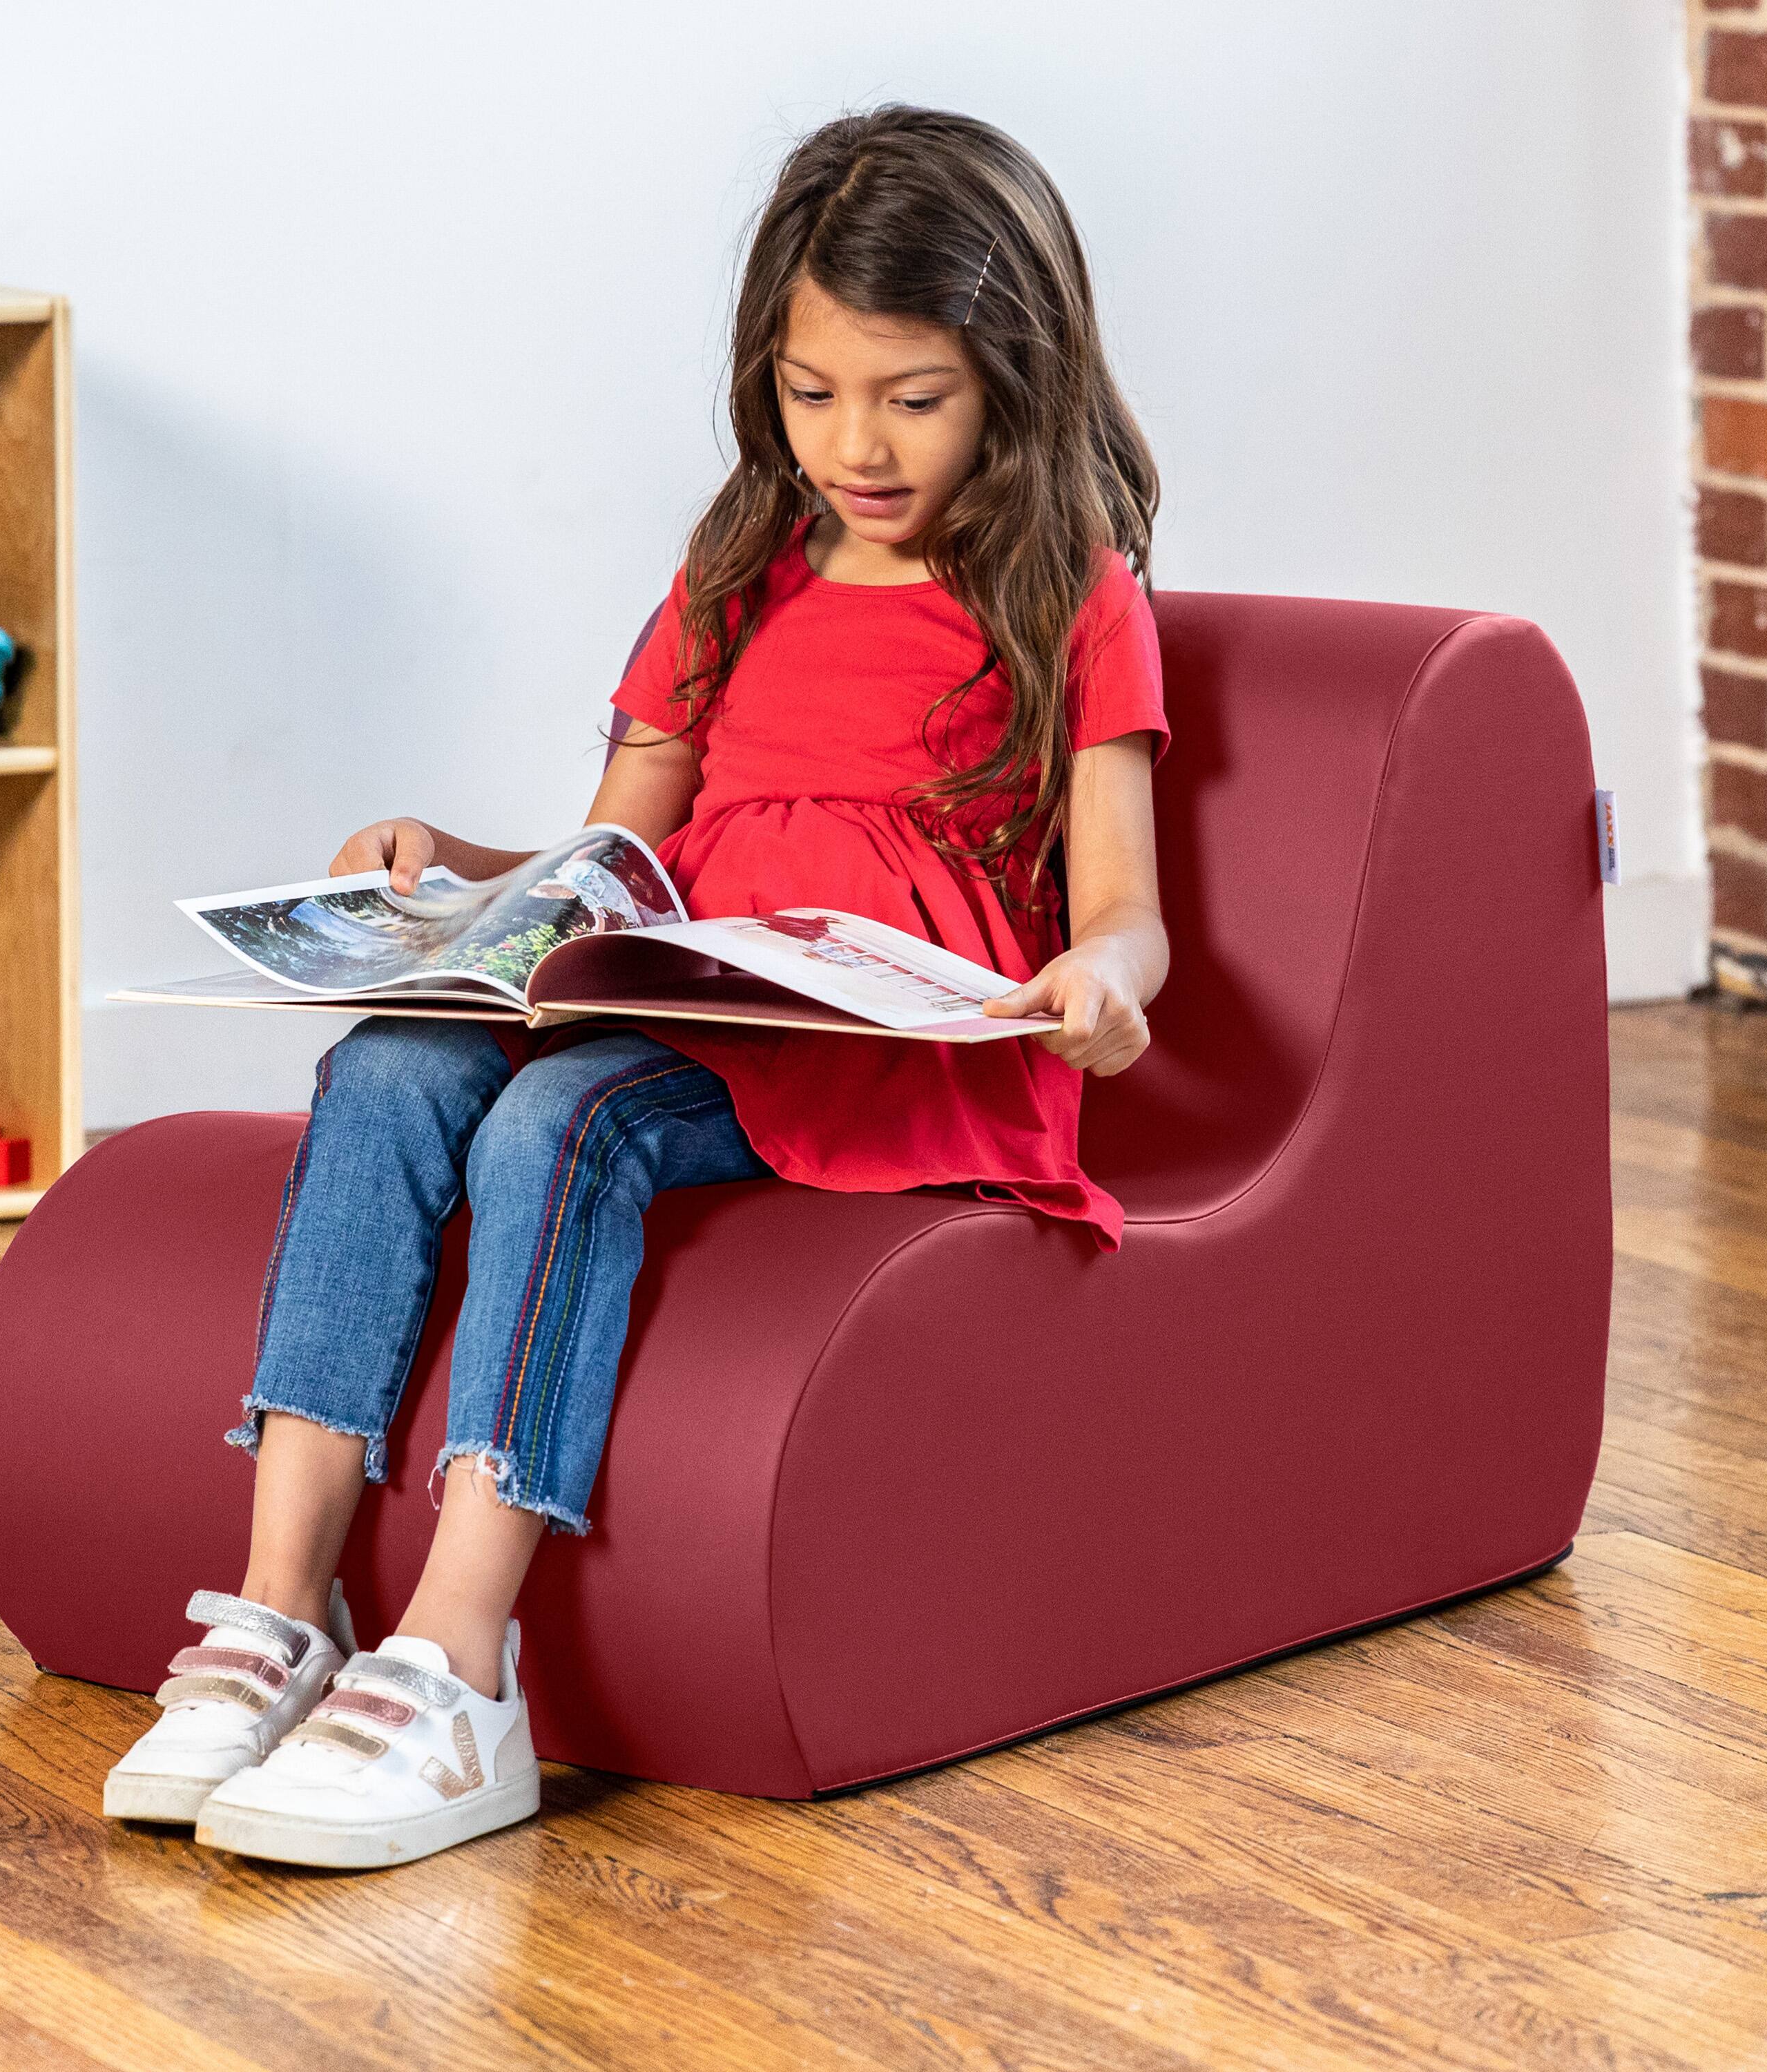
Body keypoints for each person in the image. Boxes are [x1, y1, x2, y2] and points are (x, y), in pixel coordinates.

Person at [104, 102, 1170, 1871]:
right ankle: (277, 1614)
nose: (858, 443)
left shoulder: (1071, 594)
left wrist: (1100, 981)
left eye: (914, 397)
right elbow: (613, 858)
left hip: (883, 1056)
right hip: (691, 991)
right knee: (387, 1072)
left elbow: (1128, 906)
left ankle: (459, 1666)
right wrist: (458, 871)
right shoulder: (732, 577)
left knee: (561, 1122)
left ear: (1016, 372)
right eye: (814, 392)